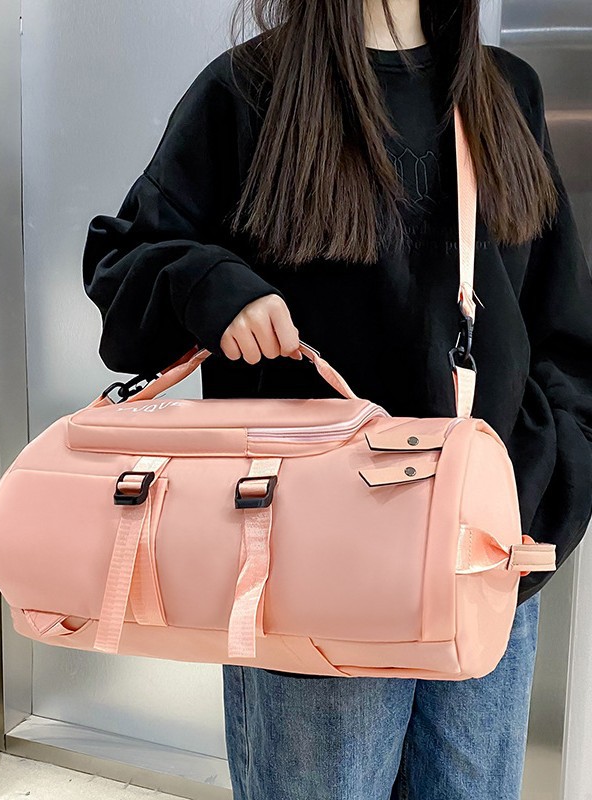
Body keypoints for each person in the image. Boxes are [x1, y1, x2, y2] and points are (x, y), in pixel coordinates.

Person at [82, 1, 592, 797]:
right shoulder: (251, 89)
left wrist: (550, 488)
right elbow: (123, 261)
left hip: (485, 557)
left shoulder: (504, 90)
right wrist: (214, 288)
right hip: (308, 570)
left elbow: (560, 322)